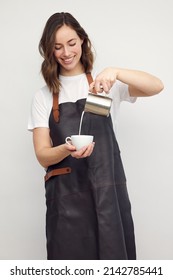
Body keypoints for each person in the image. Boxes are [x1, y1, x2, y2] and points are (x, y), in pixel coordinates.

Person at [28, 12, 164, 260]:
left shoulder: (104, 85)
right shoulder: (44, 96)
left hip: (107, 200)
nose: (66, 53)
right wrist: (66, 148)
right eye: (57, 47)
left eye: (71, 43)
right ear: (49, 50)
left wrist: (116, 71)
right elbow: (43, 156)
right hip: (66, 205)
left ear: (82, 40)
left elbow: (156, 86)